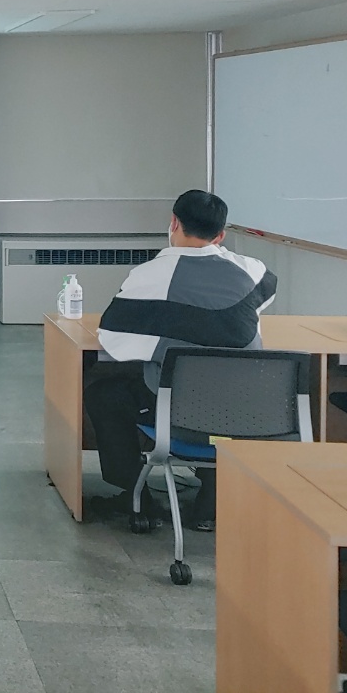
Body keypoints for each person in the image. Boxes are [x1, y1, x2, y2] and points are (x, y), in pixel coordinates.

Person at [86, 189, 277, 528]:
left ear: (174, 223)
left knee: (105, 393)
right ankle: (213, 500)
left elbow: (113, 340)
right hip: (246, 412)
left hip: (175, 411)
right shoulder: (254, 271)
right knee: (216, 398)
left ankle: (137, 497)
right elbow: (258, 303)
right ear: (221, 235)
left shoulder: (149, 275)